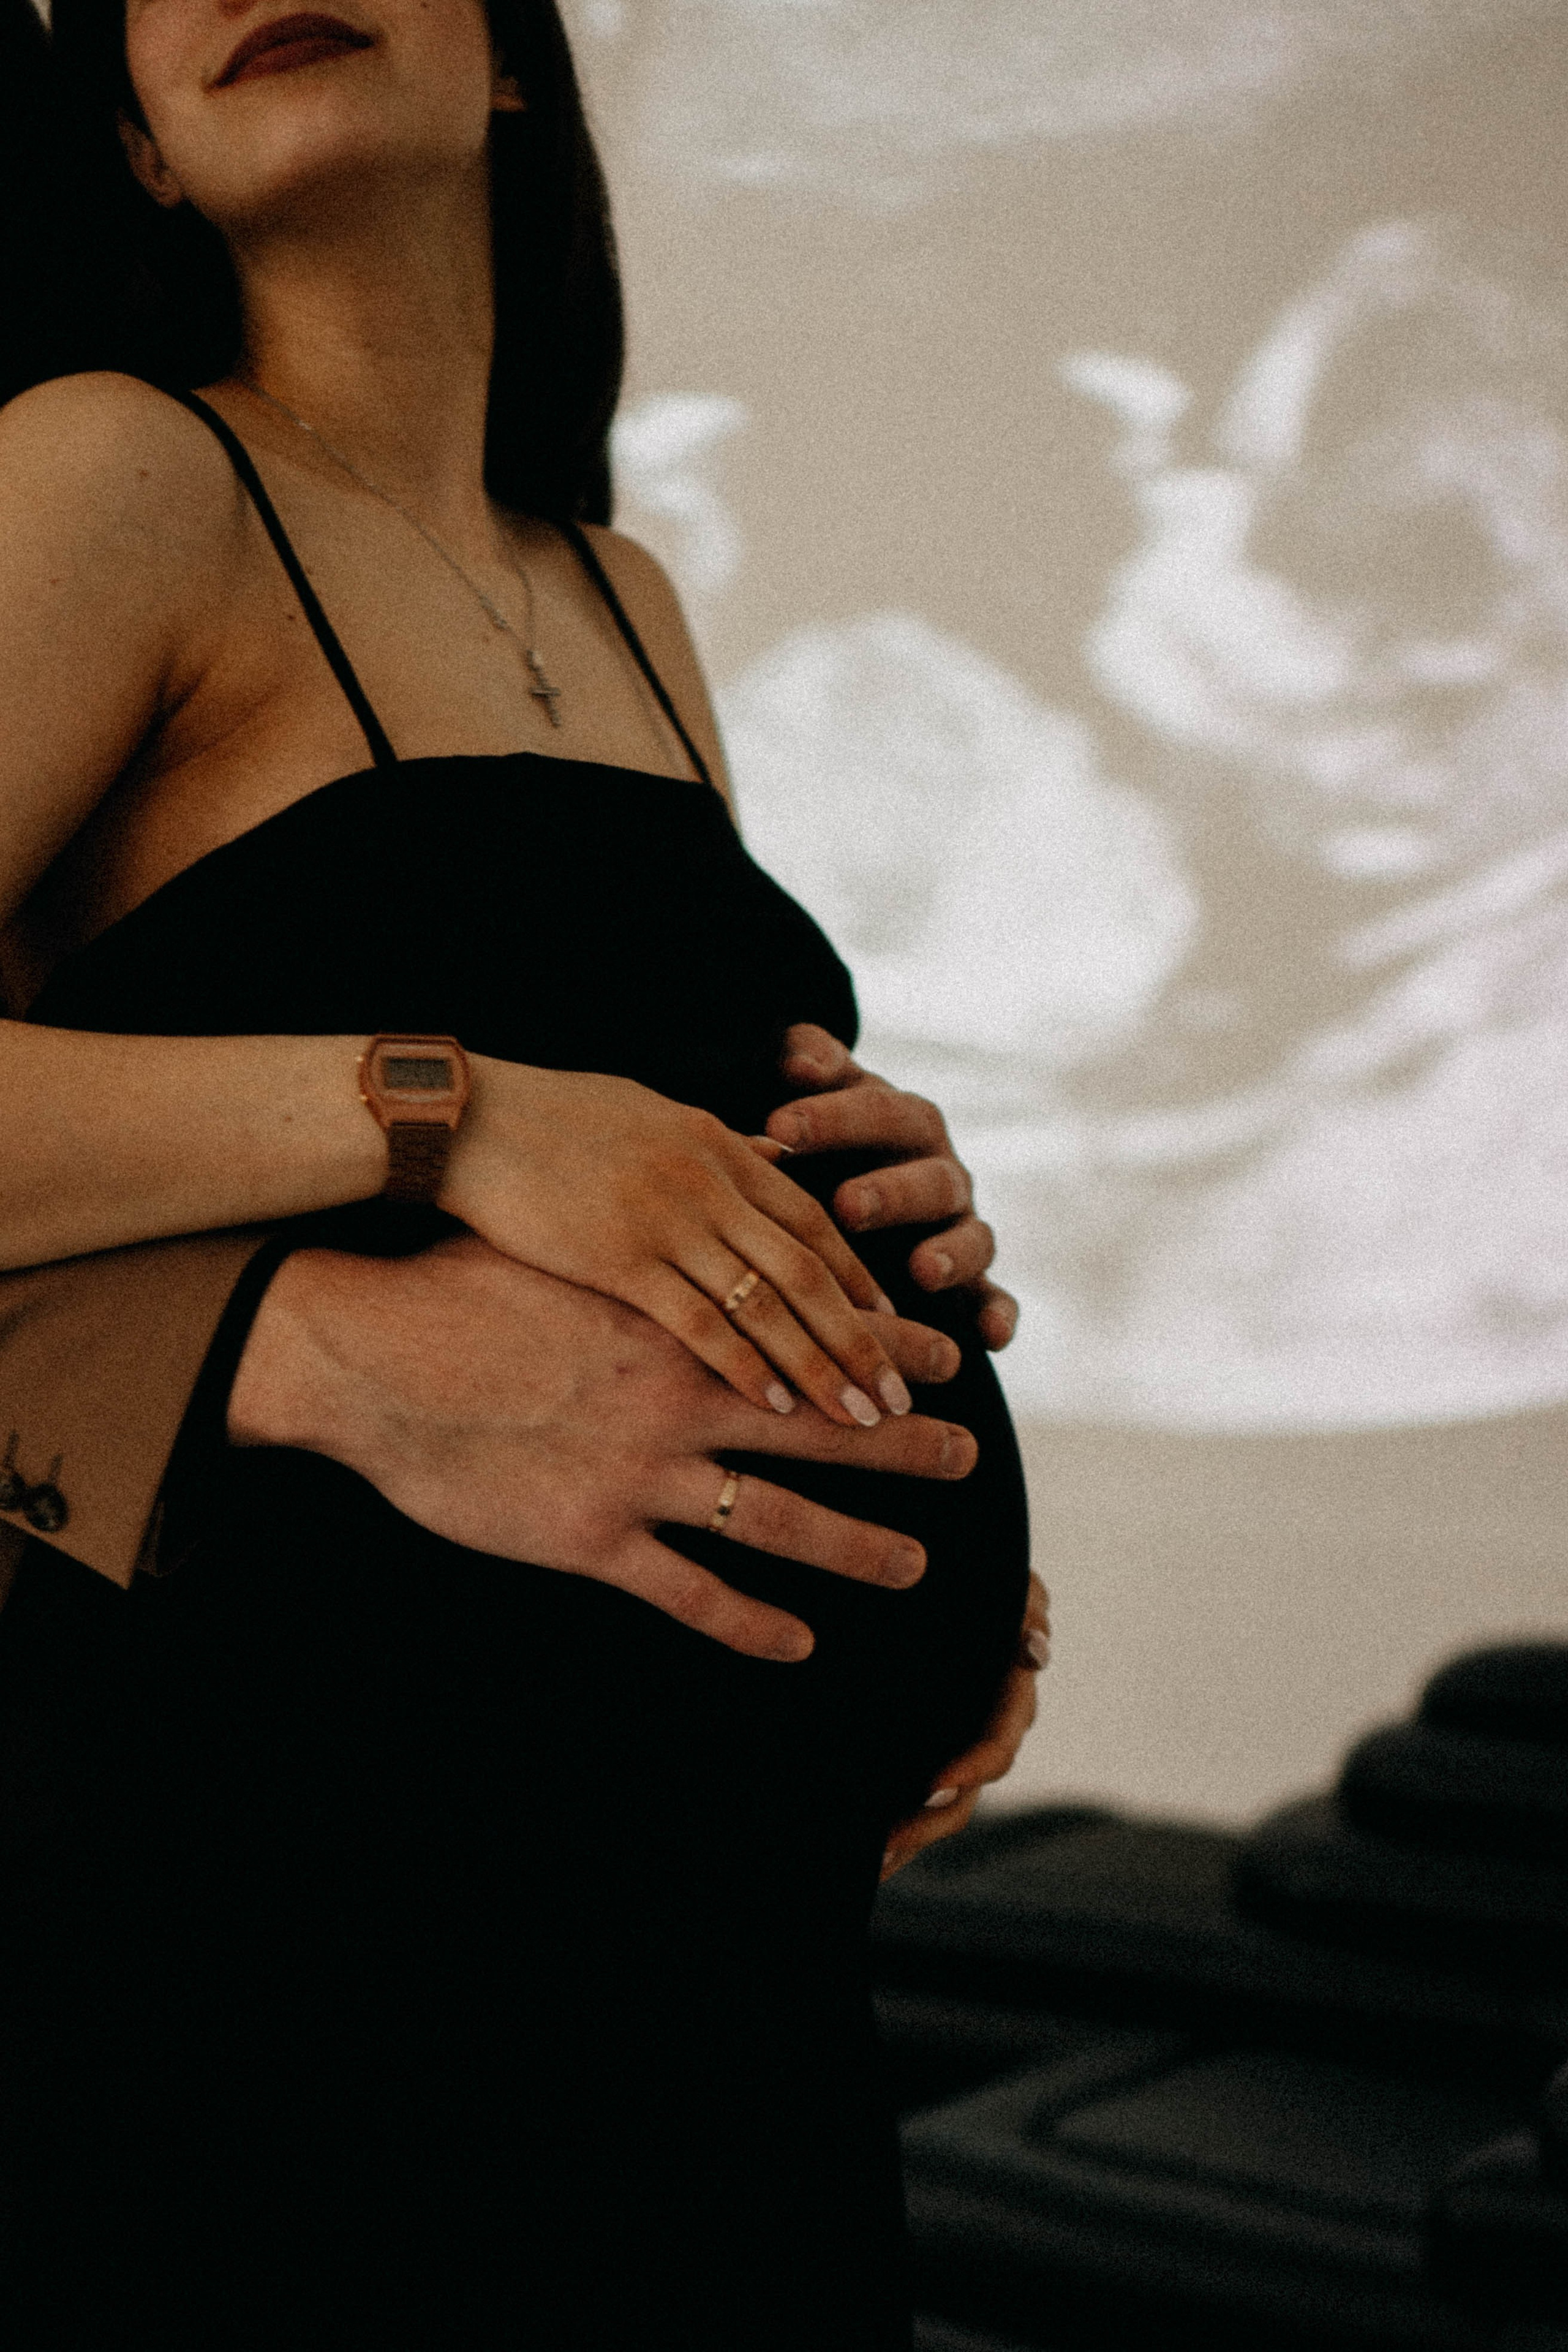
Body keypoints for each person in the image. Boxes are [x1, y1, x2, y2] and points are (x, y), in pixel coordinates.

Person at [0, 0, 1039, 2342]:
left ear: (505, 61)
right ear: (135, 150)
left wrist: (903, 1391)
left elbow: (680, 1131)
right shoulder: (122, 474)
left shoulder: (626, 593)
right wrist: (451, 1117)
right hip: (282, 1944)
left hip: (723, 1977)